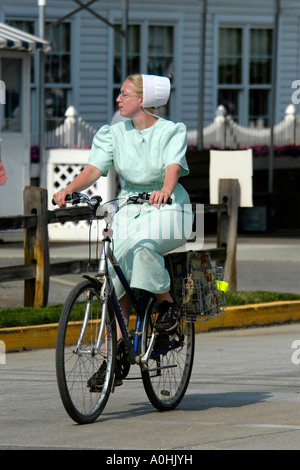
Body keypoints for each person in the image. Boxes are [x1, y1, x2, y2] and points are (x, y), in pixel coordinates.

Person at [53, 73, 193, 337]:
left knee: (142, 247)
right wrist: (69, 189)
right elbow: (94, 169)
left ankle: (167, 304)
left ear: (142, 99)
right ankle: (113, 359)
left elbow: (172, 167)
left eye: (124, 94)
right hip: (130, 206)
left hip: (168, 206)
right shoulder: (113, 133)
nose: (118, 99)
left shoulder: (171, 131)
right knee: (115, 266)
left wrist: (165, 189)